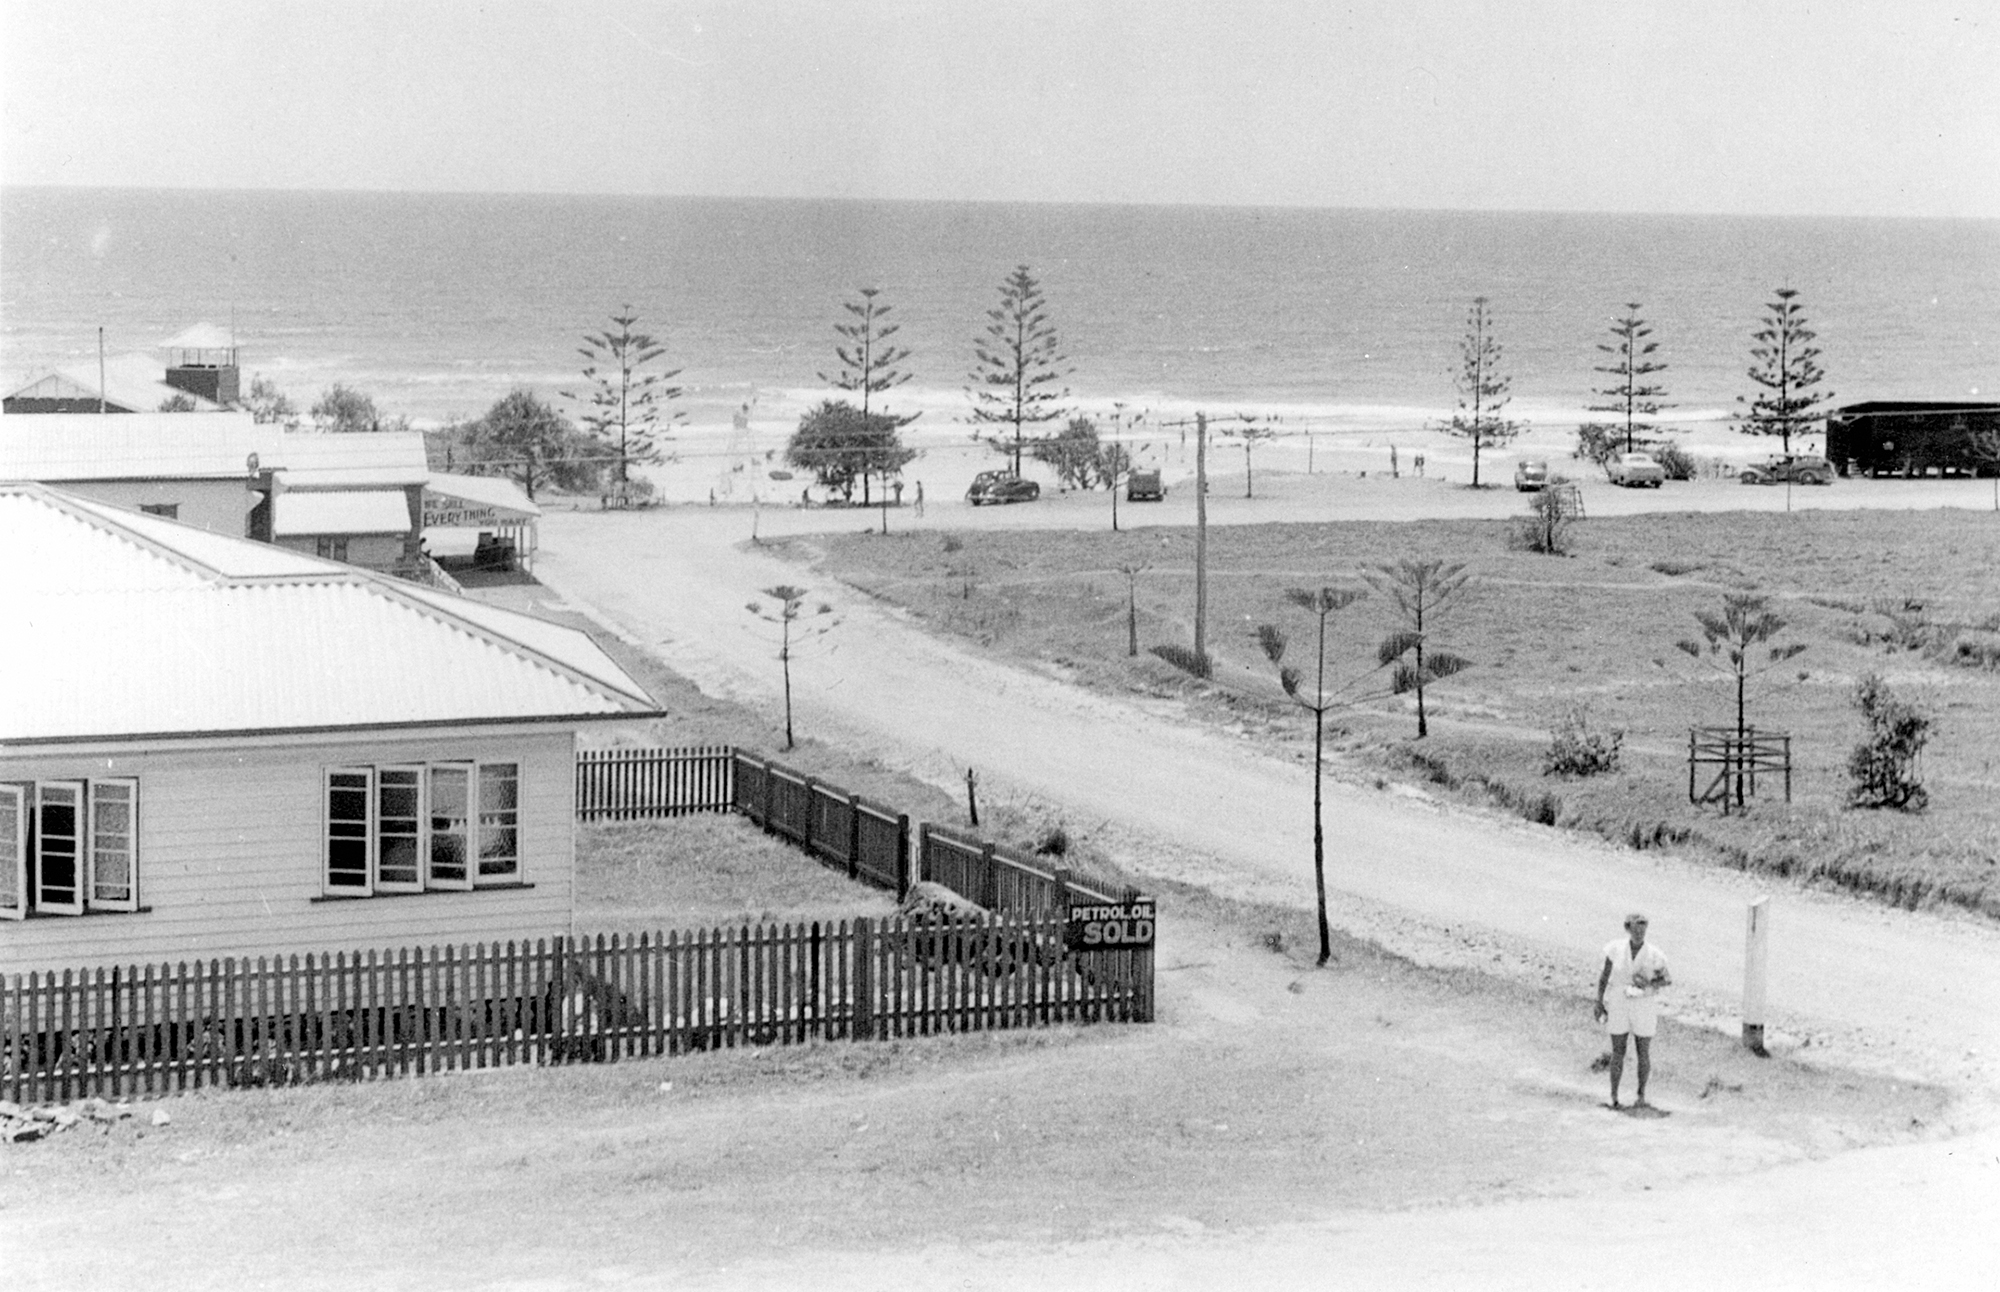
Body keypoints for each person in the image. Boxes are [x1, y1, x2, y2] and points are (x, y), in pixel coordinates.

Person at [1594, 913, 1671, 1109]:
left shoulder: (1655, 954)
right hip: (1619, 1000)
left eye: (1642, 928)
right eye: (1635, 928)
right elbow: (1604, 976)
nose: (1639, 932)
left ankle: (1641, 1095)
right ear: (1627, 928)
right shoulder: (1615, 949)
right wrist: (1599, 1002)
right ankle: (1614, 1095)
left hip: (1643, 1002)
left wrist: (1649, 982)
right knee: (1618, 1050)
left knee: (1643, 1050)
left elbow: (1667, 979)